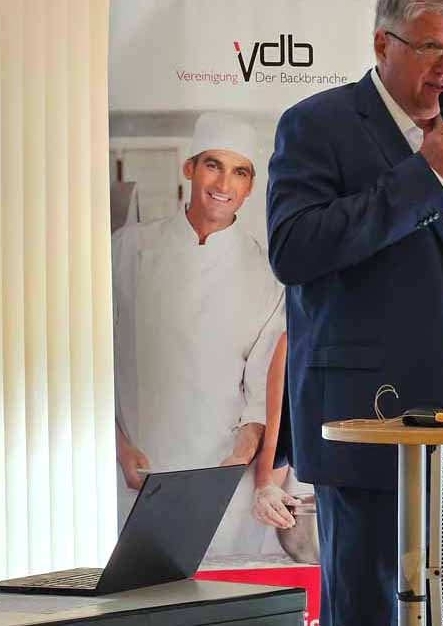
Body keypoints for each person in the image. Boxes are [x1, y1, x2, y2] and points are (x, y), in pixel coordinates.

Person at [266, 0, 443, 624]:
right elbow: (293, 249)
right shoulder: (318, 126)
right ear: (383, 44)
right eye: (431, 47)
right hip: (374, 426)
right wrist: (422, 175)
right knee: (372, 612)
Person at [112, 111, 297, 557]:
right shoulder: (128, 248)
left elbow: (264, 388)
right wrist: (119, 448)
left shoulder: (267, 273)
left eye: (240, 172)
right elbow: (96, 362)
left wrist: (239, 460)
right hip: (139, 470)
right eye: (213, 165)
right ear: (189, 168)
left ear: (250, 187)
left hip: (223, 477)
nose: (223, 183)